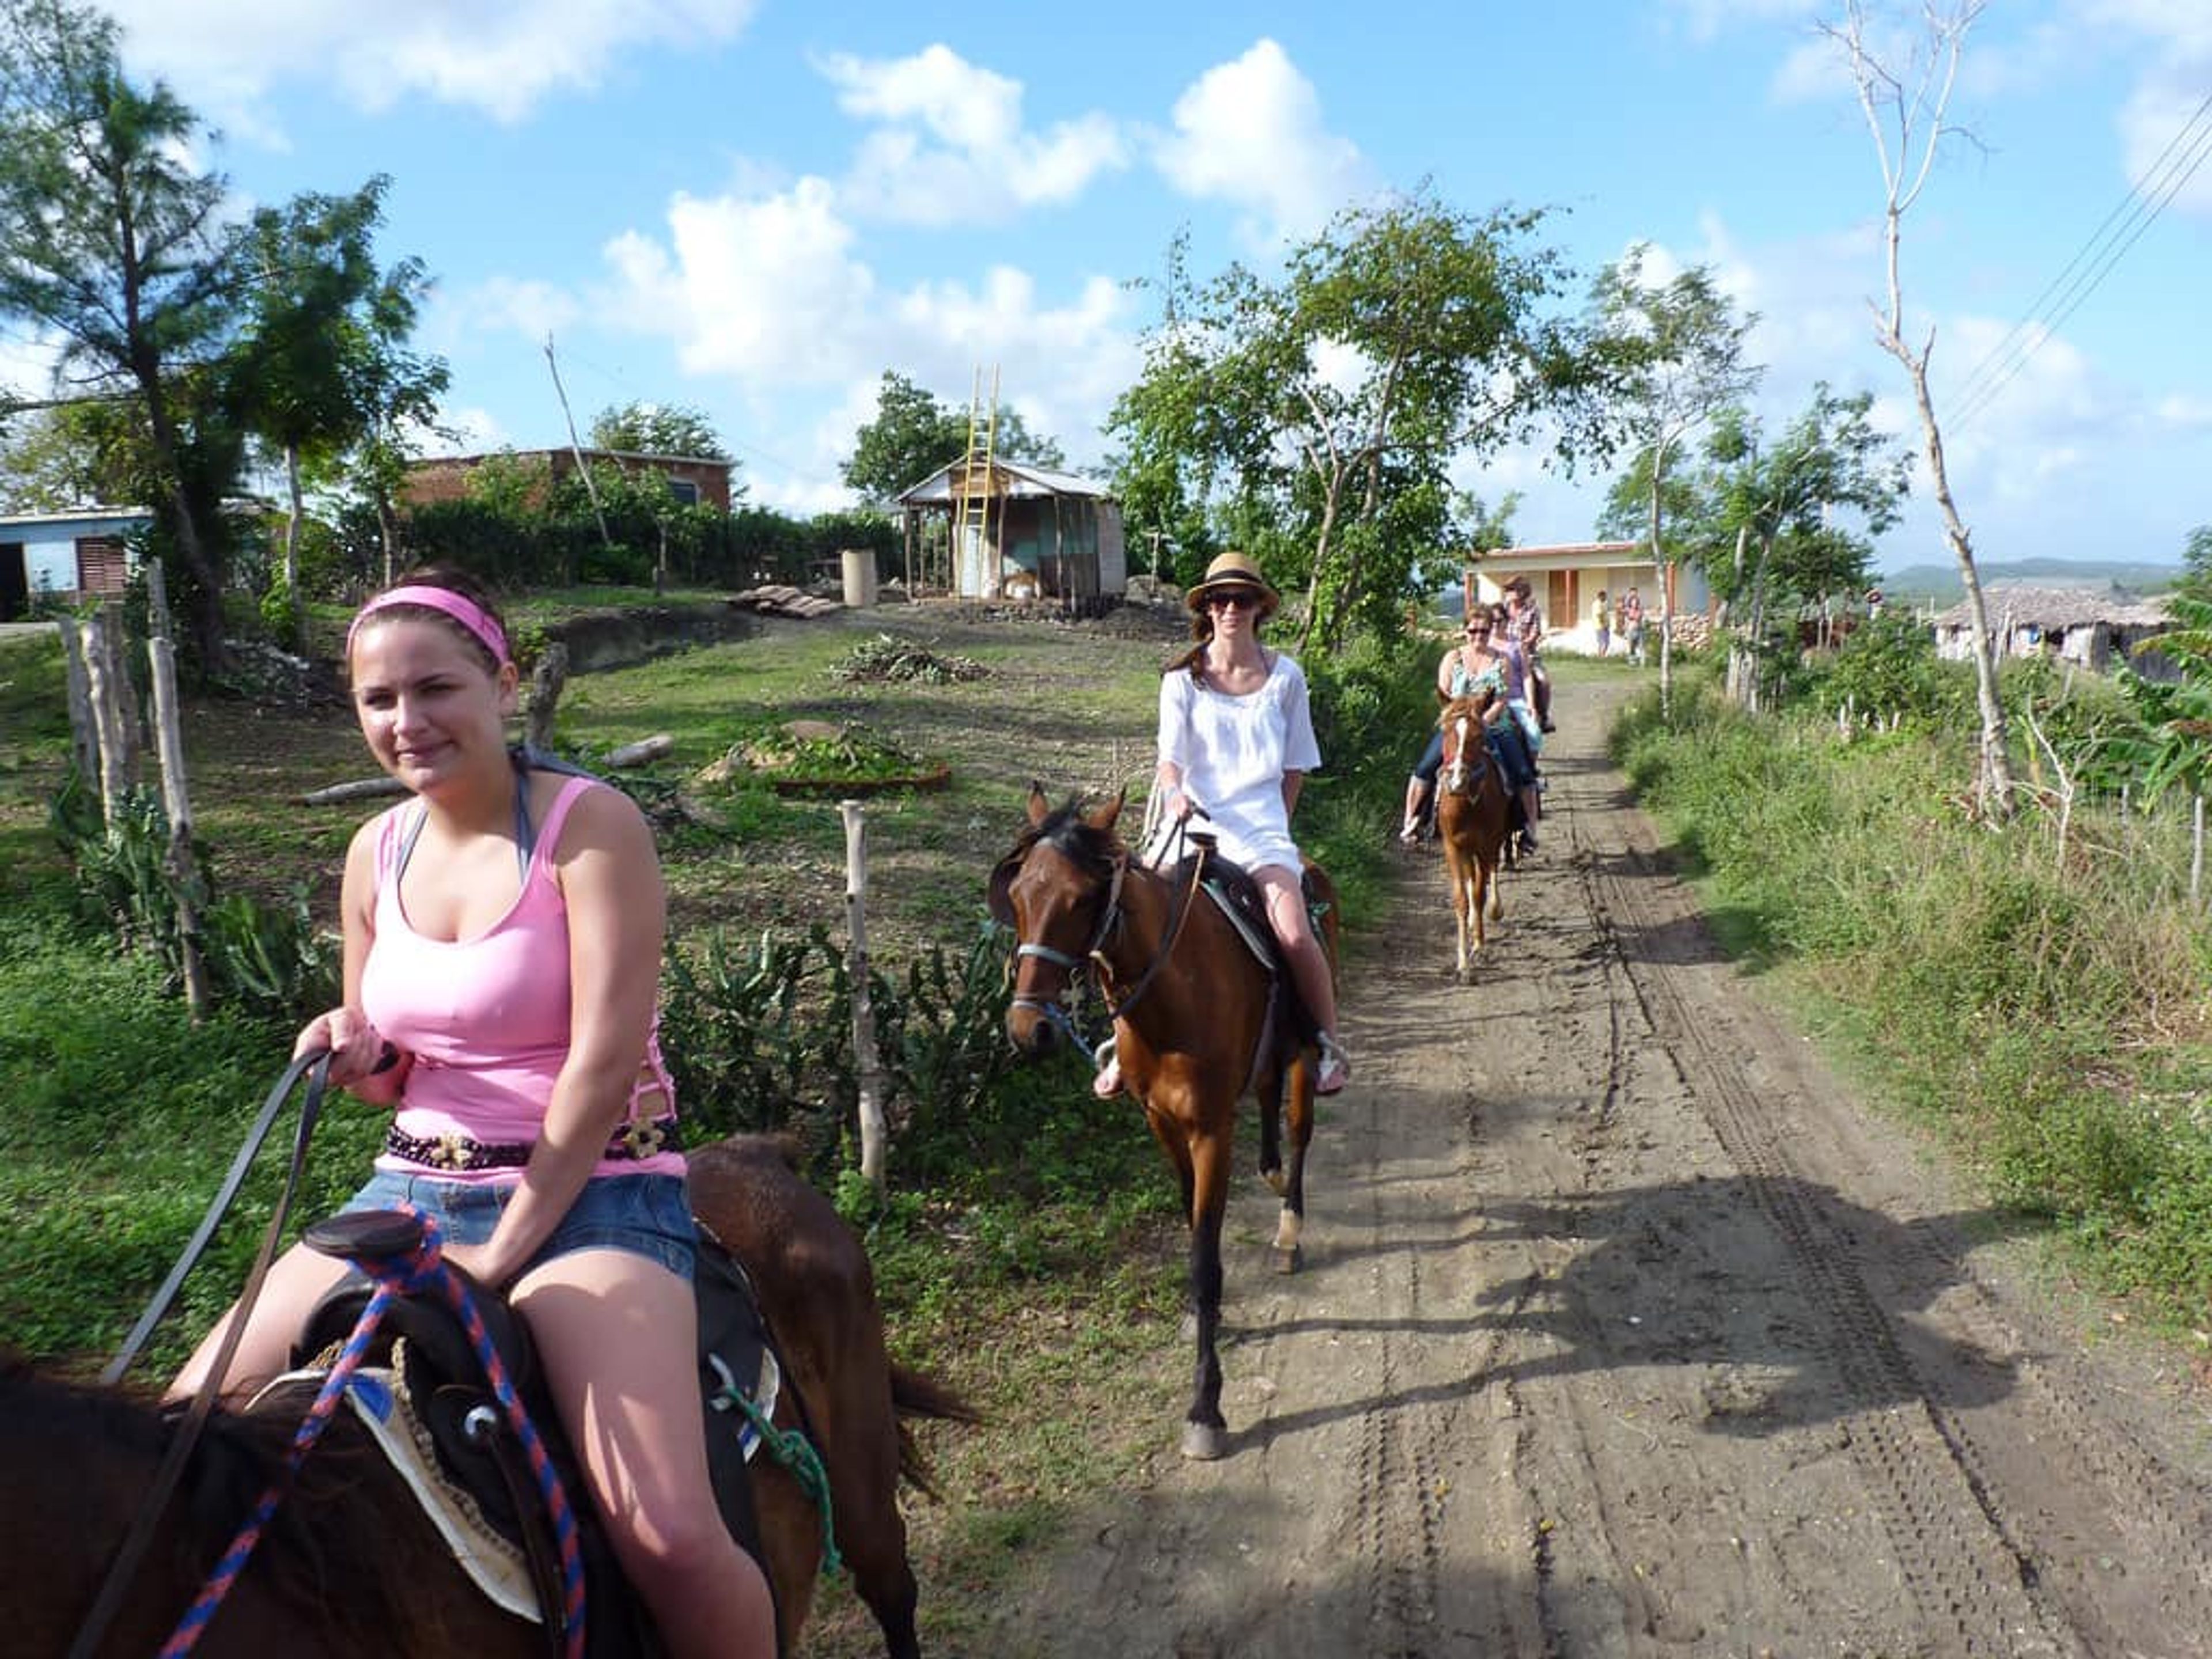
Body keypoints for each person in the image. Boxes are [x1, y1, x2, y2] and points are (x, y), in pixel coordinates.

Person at [169, 567, 777, 1659]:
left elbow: (600, 1065)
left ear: (501, 684)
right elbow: (388, 1074)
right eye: (377, 700)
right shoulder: (374, 851)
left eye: (436, 688)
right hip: (407, 1189)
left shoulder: (593, 829)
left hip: (595, 1195)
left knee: (670, 1533)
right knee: (182, 1431)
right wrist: (351, 1050)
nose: (408, 723)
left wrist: (500, 1252)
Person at [1096, 551, 1348, 1100]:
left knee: (1293, 931)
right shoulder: (1181, 679)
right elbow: (1170, 761)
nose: (1230, 608)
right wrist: (1174, 794)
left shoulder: (1287, 678)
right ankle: (1121, 1043)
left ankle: (1327, 1042)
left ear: (1260, 607)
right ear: (1205, 609)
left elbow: (1294, 767)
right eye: (1219, 599)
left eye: (1241, 598)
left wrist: (1276, 829)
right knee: (1130, 914)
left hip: (1260, 826)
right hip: (1189, 821)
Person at [1399, 604, 1543, 853]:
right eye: (1473, 630)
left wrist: (1483, 721)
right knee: (1425, 767)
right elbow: (1444, 695)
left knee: (1522, 771)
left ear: (1491, 631)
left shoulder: (1502, 660)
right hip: (1457, 726)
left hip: (1494, 724)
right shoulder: (1452, 658)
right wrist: (1458, 721)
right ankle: (1412, 821)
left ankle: (1529, 828)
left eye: (1484, 631)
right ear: (1464, 630)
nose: (1479, 636)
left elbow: (1502, 698)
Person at [1503, 577, 1555, 733]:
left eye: (1511, 589)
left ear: (1522, 592)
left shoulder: (1532, 609)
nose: (1508, 593)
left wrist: (1524, 644)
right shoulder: (1503, 609)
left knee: (1543, 681)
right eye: (1507, 590)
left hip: (1528, 654)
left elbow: (1536, 632)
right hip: (1505, 653)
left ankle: (1544, 716)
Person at [1622, 585, 1647, 665]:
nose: (1635, 603)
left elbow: (1639, 617)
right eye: (1633, 592)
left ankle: (1643, 662)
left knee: (1641, 646)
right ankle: (1632, 662)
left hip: (1639, 629)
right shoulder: (1628, 607)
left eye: (1636, 592)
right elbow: (1626, 616)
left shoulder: (1640, 609)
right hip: (1631, 629)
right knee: (1631, 647)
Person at [1591, 588, 1611, 657]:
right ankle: (1601, 656)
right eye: (1605, 596)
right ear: (1601, 596)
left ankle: (1601, 655)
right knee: (1604, 642)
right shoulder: (1598, 604)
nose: (1606, 598)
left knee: (1604, 642)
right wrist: (1603, 625)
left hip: (1604, 626)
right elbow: (1599, 615)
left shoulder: (1603, 604)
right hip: (1601, 626)